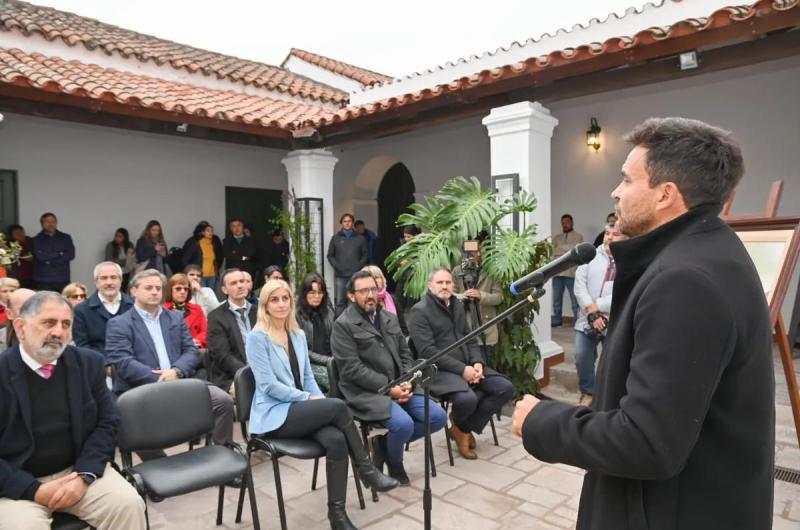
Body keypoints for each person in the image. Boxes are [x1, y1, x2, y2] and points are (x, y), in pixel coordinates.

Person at [512, 117, 774, 530]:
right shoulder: (707, 252)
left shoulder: (685, 280)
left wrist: (541, 421)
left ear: (665, 194)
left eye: (627, 180)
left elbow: (647, 442)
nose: (616, 192)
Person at [246, 279, 398, 530]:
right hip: (274, 415)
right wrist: (310, 399)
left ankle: (336, 515)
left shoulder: (296, 334)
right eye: (275, 300)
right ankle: (366, 470)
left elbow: (307, 378)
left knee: (336, 441)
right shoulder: (257, 338)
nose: (281, 304)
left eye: (285, 298)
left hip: (300, 412)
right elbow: (268, 386)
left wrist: (315, 398)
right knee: (337, 406)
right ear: (265, 305)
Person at [0, 291, 146, 529]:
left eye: (65, 324)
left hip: (78, 472)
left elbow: (107, 422)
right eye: (48, 322)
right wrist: (32, 489)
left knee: (128, 505)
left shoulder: (88, 363)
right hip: (16, 484)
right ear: (20, 327)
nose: (58, 332)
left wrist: (85, 475)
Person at [333, 271, 447, 485]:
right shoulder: (343, 325)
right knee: (403, 425)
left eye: (373, 289)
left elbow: (406, 355)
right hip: (368, 393)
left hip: (401, 386)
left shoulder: (389, 317)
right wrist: (389, 388)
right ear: (351, 296)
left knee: (438, 417)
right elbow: (351, 369)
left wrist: (408, 381)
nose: (370, 294)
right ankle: (395, 463)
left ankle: (383, 446)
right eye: (364, 290)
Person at [105, 269, 234, 449]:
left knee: (223, 401)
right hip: (141, 388)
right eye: (148, 287)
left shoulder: (175, 317)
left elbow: (191, 350)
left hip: (179, 381)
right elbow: (124, 362)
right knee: (128, 424)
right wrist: (159, 378)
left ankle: (221, 452)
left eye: (158, 288)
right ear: (133, 291)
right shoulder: (119, 324)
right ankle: (157, 467)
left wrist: (176, 372)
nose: (155, 292)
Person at [408, 268, 514, 460]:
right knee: (469, 399)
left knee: (504, 388)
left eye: (448, 282)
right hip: (439, 370)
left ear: (453, 285)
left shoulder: (456, 304)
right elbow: (428, 352)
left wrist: (477, 362)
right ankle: (462, 428)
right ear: (430, 285)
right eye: (440, 282)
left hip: (467, 364)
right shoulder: (419, 311)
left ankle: (461, 428)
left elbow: (470, 337)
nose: (444, 286)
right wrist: (462, 370)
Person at [572, 224, 628, 407]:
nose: (609, 237)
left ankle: (608, 397)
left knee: (613, 360)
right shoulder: (590, 257)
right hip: (586, 318)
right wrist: (591, 310)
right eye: (607, 233)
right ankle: (588, 392)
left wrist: (600, 306)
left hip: (615, 321)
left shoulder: (629, 260)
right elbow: (579, 286)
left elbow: (625, 290)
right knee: (581, 357)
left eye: (615, 234)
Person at [452, 232, 502, 364]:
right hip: (465, 328)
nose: (478, 254)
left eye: (482, 250)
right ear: (468, 250)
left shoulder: (492, 271)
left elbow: (498, 297)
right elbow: (451, 294)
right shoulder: (458, 271)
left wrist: (481, 295)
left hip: (487, 329)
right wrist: (463, 296)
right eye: (475, 250)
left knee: (486, 366)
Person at [72, 262, 135, 361]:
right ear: (96, 282)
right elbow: (83, 346)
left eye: (113, 277)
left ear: (121, 280)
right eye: (104, 278)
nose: (109, 282)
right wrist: (106, 364)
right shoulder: (81, 311)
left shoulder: (135, 306)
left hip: (134, 366)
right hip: (98, 367)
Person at [206, 269, 256, 393]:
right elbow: (222, 356)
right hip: (233, 376)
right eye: (233, 283)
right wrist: (250, 373)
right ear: (224, 290)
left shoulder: (260, 311)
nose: (240, 285)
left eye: (242, 281)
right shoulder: (216, 317)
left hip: (265, 372)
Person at [295, 273, 335, 393]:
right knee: (332, 380)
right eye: (312, 293)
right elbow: (302, 351)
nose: (317, 296)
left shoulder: (328, 311)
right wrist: (327, 360)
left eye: (320, 292)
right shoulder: (297, 315)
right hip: (309, 364)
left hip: (332, 360)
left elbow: (337, 338)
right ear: (304, 294)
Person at [551, 213, 584, 327]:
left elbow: (574, 250)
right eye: (563, 223)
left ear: (572, 223)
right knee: (556, 300)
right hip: (557, 273)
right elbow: (552, 251)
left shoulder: (578, 236)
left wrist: (560, 248)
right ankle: (557, 320)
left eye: (567, 222)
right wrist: (567, 249)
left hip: (571, 273)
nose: (565, 225)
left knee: (575, 301)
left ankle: (576, 320)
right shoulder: (556, 238)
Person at [327, 214, 368, 306]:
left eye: (349, 221)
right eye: (345, 221)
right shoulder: (335, 238)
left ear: (352, 223)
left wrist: (358, 266)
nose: (347, 223)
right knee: (340, 301)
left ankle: (354, 320)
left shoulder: (360, 238)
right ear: (341, 223)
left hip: (355, 275)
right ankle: (339, 320)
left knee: (354, 300)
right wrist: (337, 266)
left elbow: (365, 255)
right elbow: (330, 255)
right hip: (340, 275)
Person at [31, 213, 75, 292]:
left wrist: (49, 261)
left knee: (64, 303)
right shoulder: (36, 240)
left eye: (53, 221)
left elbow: (70, 255)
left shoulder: (65, 238)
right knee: (45, 304)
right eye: (47, 222)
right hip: (43, 280)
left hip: (62, 279)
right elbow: (40, 257)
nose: (50, 224)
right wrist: (59, 253)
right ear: (42, 223)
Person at [164, 273, 207, 349]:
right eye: (178, 289)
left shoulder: (197, 309)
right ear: (170, 290)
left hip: (195, 349)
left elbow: (205, 332)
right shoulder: (162, 310)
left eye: (186, 289)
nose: (183, 292)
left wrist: (195, 341)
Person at [394, 224, 421, 335]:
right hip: (403, 278)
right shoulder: (402, 246)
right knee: (398, 304)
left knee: (413, 307)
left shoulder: (422, 246)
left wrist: (410, 263)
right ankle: (401, 330)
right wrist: (399, 262)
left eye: (409, 236)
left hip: (414, 280)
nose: (406, 239)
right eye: (405, 236)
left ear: (416, 236)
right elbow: (395, 260)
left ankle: (414, 331)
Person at [360, 265, 405, 332]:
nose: (374, 281)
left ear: (382, 279)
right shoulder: (360, 303)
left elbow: (403, 328)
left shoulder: (392, 299)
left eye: (377, 277)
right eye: (371, 278)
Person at [183, 221, 224, 292]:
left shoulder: (214, 243)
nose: (211, 232)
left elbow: (219, 257)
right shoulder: (195, 243)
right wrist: (192, 273)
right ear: (202, 232)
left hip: (212, 276)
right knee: (201, 296)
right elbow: (185, 260)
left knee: (211, 296)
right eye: (208, 231)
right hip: (200, 276)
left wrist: (216, 270)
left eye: (212, 231)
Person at [6, 224, 34, 288]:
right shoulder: (9, 246)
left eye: (21, 232)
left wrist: (32, 258)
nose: (20, 234)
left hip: (33, 276)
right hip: (17, 277)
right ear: (12, 235)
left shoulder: (32, 241)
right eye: (16, 233)